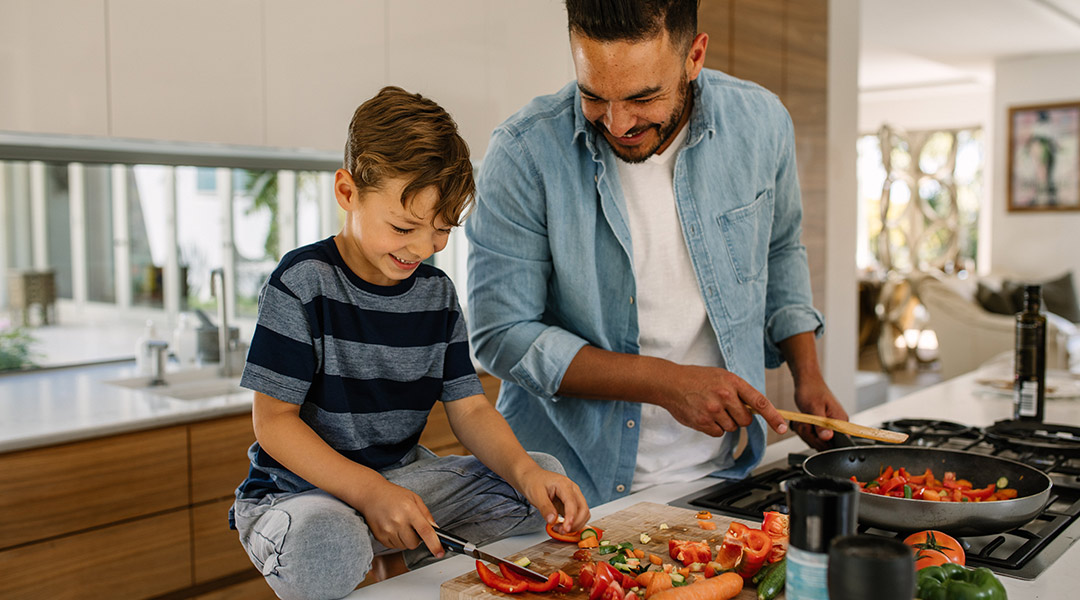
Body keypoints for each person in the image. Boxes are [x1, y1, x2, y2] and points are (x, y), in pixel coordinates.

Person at [465, 0, 849, 507]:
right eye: (593, 95)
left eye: (643, 97)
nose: (618, 123)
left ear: (694, 56)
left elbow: (780, 250)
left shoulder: (761, 124)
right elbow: (499, 336)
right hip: (562, 489)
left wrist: (808, 374)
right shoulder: (524, 153)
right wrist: (665, 383)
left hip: (719, 478)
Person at [230, 86, 589, 600]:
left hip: (401, 482)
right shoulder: (302, 281)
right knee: (326, 544)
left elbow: (469, 409)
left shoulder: (436, 294)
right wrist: (370, 492)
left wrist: (525, 471)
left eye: (441, 230)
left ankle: (387, 541)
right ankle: (379, 543)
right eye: (404, 226)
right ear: (348, 193)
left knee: (542, 481)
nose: (423, 248)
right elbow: (273, 424)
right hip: (299, 497)